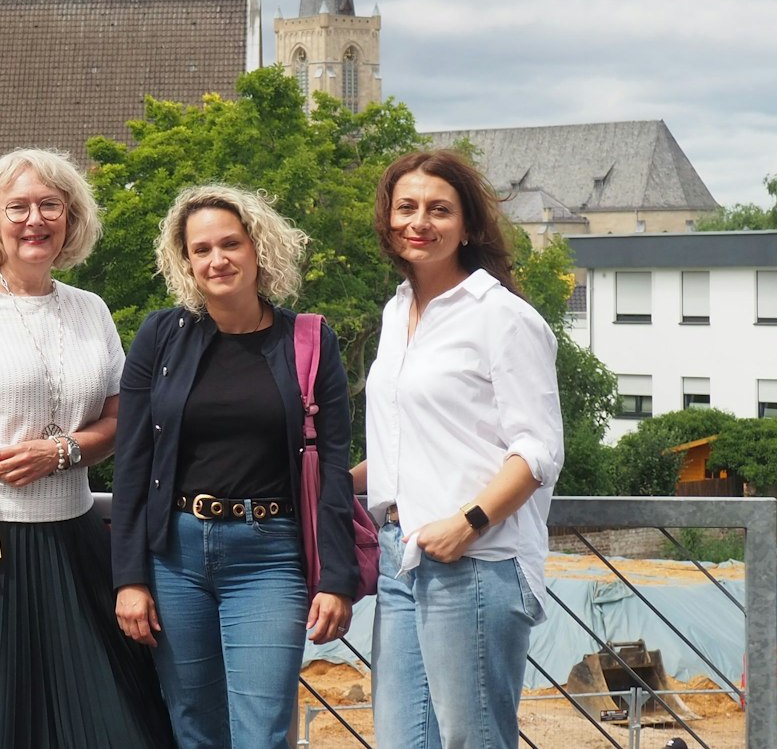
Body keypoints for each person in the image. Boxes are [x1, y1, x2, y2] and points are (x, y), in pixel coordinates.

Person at [0, 148, 173, 749]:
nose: (34, 219)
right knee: (4, 726)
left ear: (71, 219)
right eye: (17, 206)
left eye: (50, 205)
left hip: (75, 541)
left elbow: (120, 421)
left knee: (117, 723)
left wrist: (64, 451)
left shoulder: (90, 310)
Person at [111, 183, 357, 749]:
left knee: (262, 731)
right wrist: (129, 578)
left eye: (230, 244)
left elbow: (335, 468)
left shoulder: (309, 340)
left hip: (269, 555)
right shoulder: (160, 335)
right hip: (175, 555)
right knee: (194, 727)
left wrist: (336, 579)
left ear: (257, 249)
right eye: (201, 249)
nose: (217, 259)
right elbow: (132, 464)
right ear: (186, 261)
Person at [363, 149, 562, 749]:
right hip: (401, 555)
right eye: (407, 208)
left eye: (439, 210)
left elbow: (537, 450)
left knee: (470, 741)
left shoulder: (501, 316)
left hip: (475, 558)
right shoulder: (398, 310)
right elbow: (408, 438)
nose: (419, 222)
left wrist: (468, 524)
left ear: (469, 226)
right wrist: (324, 478)